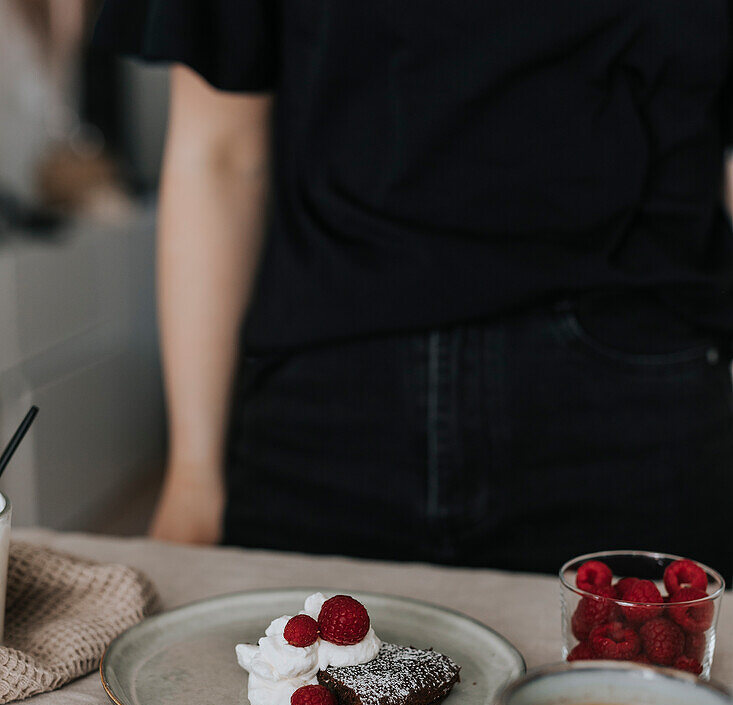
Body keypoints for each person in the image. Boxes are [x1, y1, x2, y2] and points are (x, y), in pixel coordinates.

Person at [94, 2, 733, 581]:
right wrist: (193, 476)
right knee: (267, 698)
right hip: (325, 404)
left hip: (638, 401)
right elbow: (220, 152)